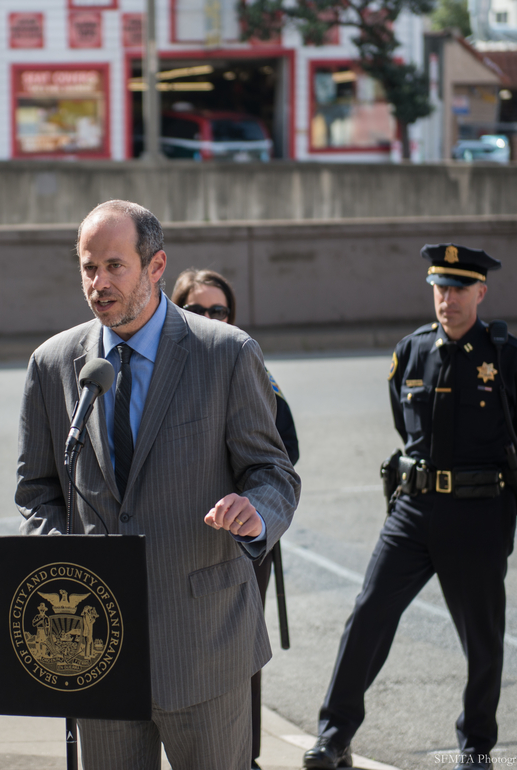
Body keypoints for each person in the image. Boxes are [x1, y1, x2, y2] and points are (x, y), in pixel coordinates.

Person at [16, 199, 300, 770]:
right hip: (95, 645)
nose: (98, 284)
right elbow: (38, 489)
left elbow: (273, 473)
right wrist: (56, 555)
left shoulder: (225, 353)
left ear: (156, 265)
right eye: (88, 268)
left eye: (114, 266)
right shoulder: (52, 364)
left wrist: (255, 511)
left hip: (204, 642)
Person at [302, 244, 517, 770]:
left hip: (479, 514)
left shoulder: (507, 356)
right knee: (368, 616)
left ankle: (476, 747)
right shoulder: (410, 353)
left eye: (459, 288)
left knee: (482, 640)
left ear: (481, 291)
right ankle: (334, 735)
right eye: (440, 287)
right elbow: (403, 424)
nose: (448, 299)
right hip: (413, 511)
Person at [170, 268, 299, 770]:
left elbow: (283, 452)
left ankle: (243, 755)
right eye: (196, 309)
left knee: (234, 652)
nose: (208, 318)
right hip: (170, 538)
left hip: (237, 540)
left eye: (218, 310)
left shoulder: (245, 364)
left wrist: (250, 503)